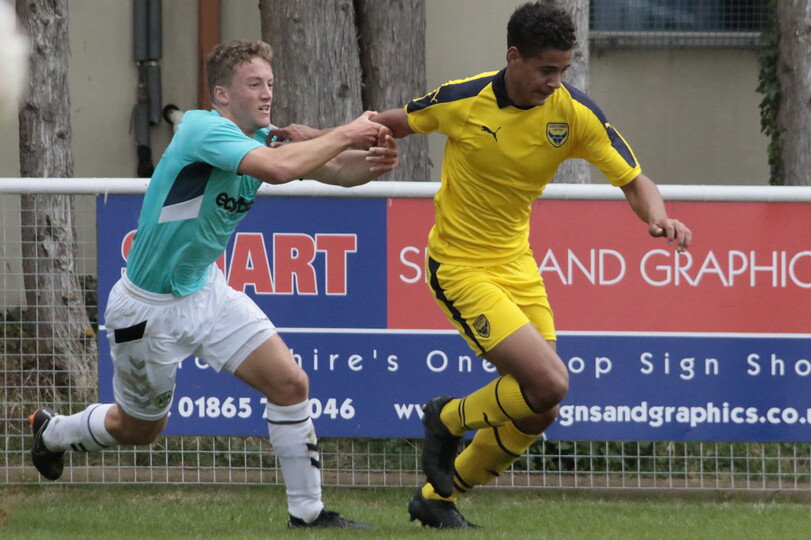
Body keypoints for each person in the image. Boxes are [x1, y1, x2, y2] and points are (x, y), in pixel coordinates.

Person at [28, 39, 397, 530]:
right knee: (139, 429)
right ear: (221, 94)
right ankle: (53, 432)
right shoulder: (203, 129)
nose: (266, 94)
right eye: (254, 84)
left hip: (206, 292)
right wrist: (349, 130)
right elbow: (281, 168)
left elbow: (336, 172)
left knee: (290, 383)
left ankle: (308, 515)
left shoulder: (260, 137)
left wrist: (372, 163)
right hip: (147, 309)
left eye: (270, 84)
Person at [374, 2, 692, 529]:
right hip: (460, 265)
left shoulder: (573, 113)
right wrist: (319, 141)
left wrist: (658, 217)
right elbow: (387, 124)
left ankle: (436, 499)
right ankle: (446, 417)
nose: (555, 82)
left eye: (563, 70)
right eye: (546, 70)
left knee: (541, 405)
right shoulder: (464, 99)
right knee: (550, 382)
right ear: (514, 57)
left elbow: (635, 180)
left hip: (516, 266)